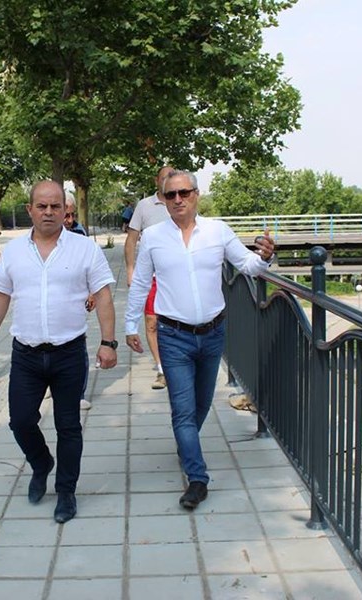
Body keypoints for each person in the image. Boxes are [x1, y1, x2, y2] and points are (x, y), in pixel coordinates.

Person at [124, 170, 275, 510]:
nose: (178, 199)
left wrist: (265, 257)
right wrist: (131, 325)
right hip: (173, 336)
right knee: (182, 409)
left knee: (201, 404)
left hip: (212, 334)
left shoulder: (218, 231)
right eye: (171, 195)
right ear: (163, 200)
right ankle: (197, 477)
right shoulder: (153, 237)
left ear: (196, 195)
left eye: (184, 193)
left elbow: (249, 266)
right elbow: (141, 283)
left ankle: (186, 443)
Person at [0, 180, 118, 523]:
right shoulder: (13, 251)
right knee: (21, 421)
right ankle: (41, 462)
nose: (48, 212)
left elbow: (103, 295)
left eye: (56, 206)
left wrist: (108, 342)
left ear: (65, 211)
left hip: (68, 353)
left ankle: (66, 492)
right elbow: (0, 295)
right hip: (26, 355)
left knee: (68, 426)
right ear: (30, 209)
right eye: (41, 206)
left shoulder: (84, 249)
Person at [124, 165, 174, 390]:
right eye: (164, 178)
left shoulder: (180, 202)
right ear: (156, 180)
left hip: (174, 276)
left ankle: (177, 363)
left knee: (174, 322)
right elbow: (131, 240)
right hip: (150, 276)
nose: (167, 181)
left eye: (171, 177)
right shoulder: (144, 206)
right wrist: (130, 269)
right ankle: (162, 369)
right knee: (151, 321)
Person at [63, 195, 95, 410]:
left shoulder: (79, 232)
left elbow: (89, 265)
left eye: (72, 214)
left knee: (78, 345)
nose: (70, 220)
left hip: (75, 299)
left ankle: (79, 394)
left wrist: (92, 292)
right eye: (66, 215)